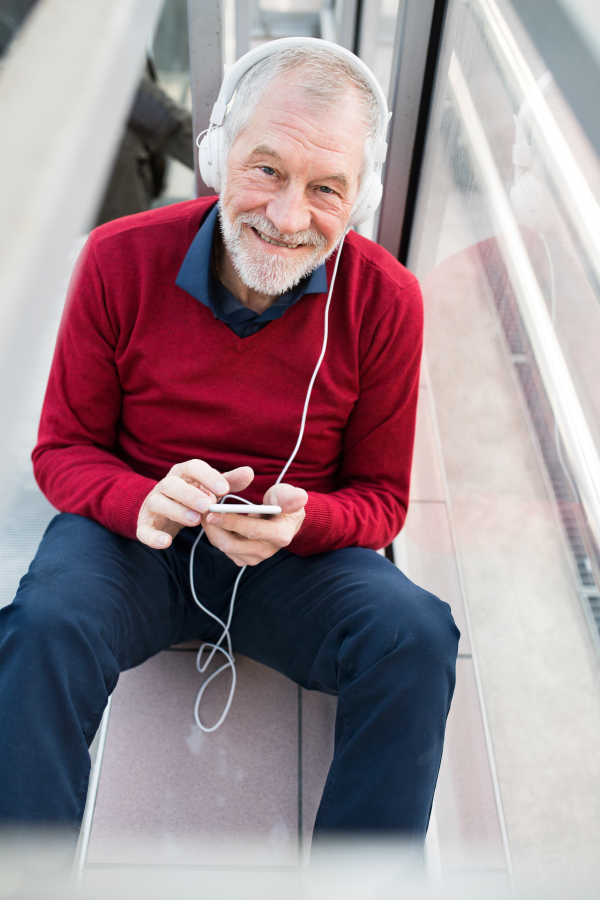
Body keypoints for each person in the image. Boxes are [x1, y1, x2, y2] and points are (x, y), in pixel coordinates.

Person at [0, 39, 459, 848]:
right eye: (266, 170)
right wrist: (139, 496)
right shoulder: (118, 259)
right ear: (217, 155)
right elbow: (62, 451)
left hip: (292, 565)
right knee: (43, 628)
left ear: (361, 197)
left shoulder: (388, 300)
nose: (287, 218)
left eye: (325, 188)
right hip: (134, 539)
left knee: (416, 636)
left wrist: (303, 521)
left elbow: (382, 503)